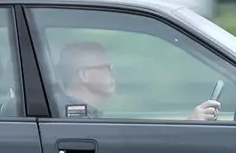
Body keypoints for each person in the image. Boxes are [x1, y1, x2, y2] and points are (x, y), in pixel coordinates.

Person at [52, 40, 220, 120]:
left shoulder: (78, 114)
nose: (113, 74)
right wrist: (189, 127)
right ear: (84, 75)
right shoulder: (75, 119)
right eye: (106, 68)